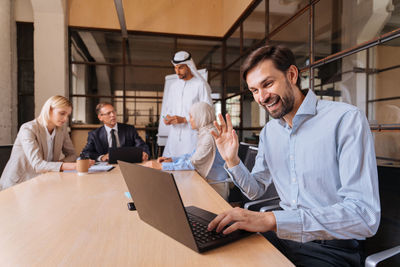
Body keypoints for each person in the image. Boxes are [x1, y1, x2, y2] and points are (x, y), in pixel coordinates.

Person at [207, 45, 380, 266]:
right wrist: (232, 160)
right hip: (283, 238)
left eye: (267, 84)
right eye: (254, 90)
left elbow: (364, 216)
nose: (262, 98)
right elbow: (256, 189)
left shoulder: (346, 120)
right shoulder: (270, 132)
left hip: (331, 249)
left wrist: (271, 219)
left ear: (291, 75)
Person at [145, 102, 230, 200]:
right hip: (208, 181)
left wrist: (162, 166)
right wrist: (172, 159)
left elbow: (193, 163)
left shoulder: (209, 136)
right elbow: (193, 155)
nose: (190, 120)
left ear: (200, 117)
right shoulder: (205, 132)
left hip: (215, 186)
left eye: (191, 117)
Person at [0, 95, 79, 190]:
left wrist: (58, 164)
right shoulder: (28, 129)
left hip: (43, 181)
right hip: (19, 185)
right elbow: (38, 165)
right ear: (49, 109)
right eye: (62, 113)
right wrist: (72, 165)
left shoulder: (61, 130)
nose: (66, 119)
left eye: (68, 115)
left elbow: (72, 155)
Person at [162, 51, 213, 157]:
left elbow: (207, 113)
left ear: (189, 66)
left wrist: (185, 120)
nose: (177, 72)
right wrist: (167, 118)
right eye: (175, 68)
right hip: (174, 138)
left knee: (190, 169)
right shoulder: (173, 87)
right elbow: (168, 109)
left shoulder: (200, 85)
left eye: (180, 68)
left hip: (192, 138)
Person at [82, 102, 150, 162]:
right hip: (106, 168)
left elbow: (142, 145)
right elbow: (86, 153)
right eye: (108, 113)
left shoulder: (129, 129)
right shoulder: (95, 135)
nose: (113, 115)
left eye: (113, 112)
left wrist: (144, 152)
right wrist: (102, 157)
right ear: (100, 117)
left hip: (127, 165)